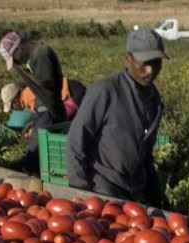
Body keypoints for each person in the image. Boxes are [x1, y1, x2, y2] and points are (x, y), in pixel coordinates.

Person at [67, 28, 167, 206]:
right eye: (144, 63)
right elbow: (76, 141)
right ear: (128, 59)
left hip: (132, 187)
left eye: (156, 62)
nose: (150, 70)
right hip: (102, 184)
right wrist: (79, 190)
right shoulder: (106, 90)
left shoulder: (154, 100)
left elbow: (146, 155)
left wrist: (155, 195)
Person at [0, 31, 66, 173]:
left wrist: (24, 73)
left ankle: (33, 183)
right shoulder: (36, 55)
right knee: (36, 153)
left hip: (48, 111)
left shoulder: (40, 54)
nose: (16, 62)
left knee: (35, 156)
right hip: (44, 111)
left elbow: (47, 84)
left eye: (14, 58)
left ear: (19, 48)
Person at [1, 78, 86, 121]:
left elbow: (48, 114)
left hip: (72, 92)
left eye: (12, 106)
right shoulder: (27, 92)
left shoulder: (28, 99)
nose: (14, 109)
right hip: (73, 87)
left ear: (15, 100)